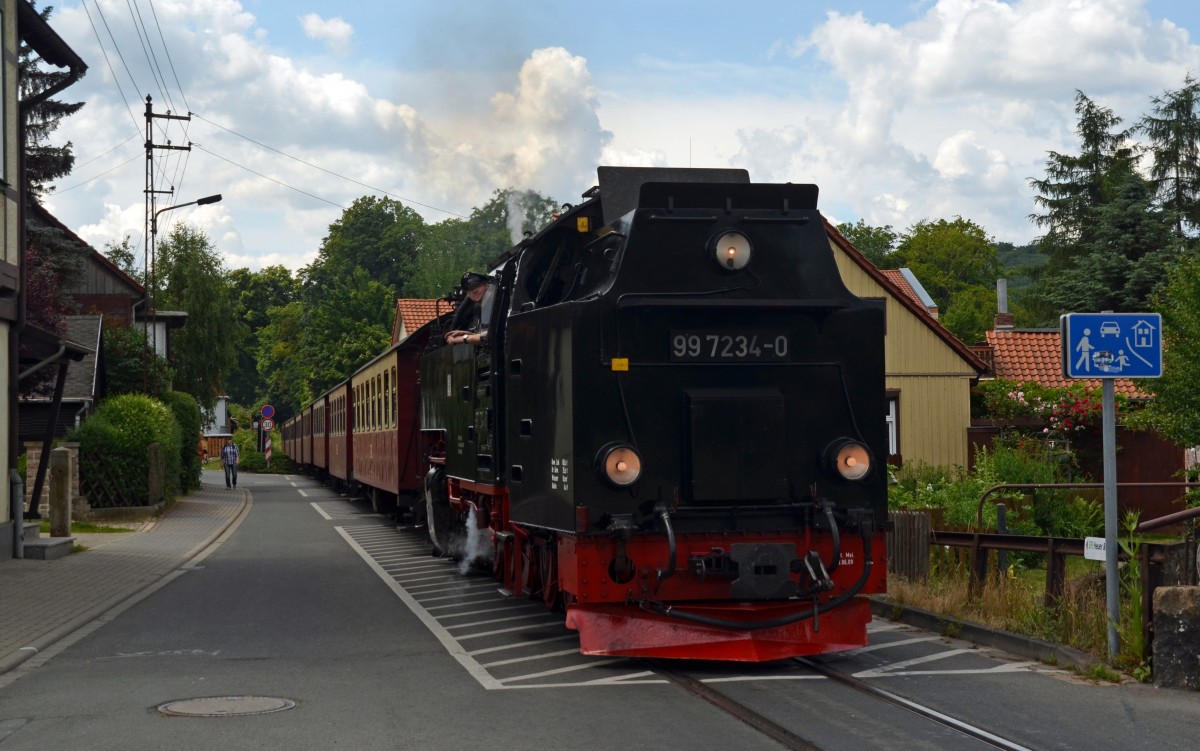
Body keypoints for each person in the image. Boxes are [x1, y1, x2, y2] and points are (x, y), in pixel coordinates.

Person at [444, 271, 492, 346]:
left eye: (477, 286)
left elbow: (496, 334)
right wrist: (467, 333)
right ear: (467, 293)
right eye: (470, 289)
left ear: (486, 285)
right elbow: (485, 337)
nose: (474, 291)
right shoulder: (479, 310)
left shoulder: (498, 305)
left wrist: (464, 338)